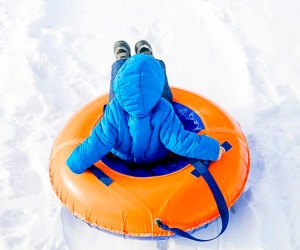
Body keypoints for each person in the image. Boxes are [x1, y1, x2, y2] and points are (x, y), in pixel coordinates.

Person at [66, 40, 225, 174]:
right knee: (158, 85)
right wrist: (214, 149)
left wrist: (75, 162)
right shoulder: (164, 109)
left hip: (123, 155)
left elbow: (98, 141)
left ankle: (122, 59)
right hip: (157, 155)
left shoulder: (114, 110)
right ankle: (149, 58)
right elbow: (180, 141)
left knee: (120, 89)